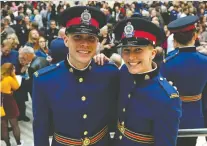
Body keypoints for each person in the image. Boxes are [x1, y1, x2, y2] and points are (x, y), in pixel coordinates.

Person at [32, 6, 119, 146]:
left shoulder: (109, 72)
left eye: (91, 38)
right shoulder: (44, 79)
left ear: (97, 42)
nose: (84, 44)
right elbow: (40, 129)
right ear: (66, 40)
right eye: (77, 37)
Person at [112, 18, 181, 146]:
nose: (131, 57)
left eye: (138, 50)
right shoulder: (124, 72)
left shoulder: (166, 97)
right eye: (126, 50)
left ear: (153, 53)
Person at [160, 16, 207, 146]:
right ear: (195, 36)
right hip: (196, 116)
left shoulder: (167, 63)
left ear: (174, 40)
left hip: (173, 117)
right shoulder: (204, 60)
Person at [1, 63, 23, 146]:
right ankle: (18, 143)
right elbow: (16, 87)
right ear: (10, 70)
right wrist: (13, 75)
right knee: (14, 125)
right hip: (8, 102)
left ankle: (8, 144)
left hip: (0, 104)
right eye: (13, 69)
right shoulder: (9, 78)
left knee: (3, 126)